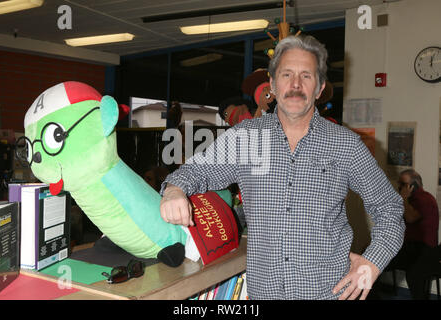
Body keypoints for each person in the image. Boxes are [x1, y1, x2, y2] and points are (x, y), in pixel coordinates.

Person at [159, 35, 405, 300]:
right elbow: (196, 171)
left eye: (306, 76)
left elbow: (389, 208)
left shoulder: (344, 145)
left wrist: (373, 262)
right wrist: (174, 190)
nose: (296, 84)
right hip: (264, 293)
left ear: (320, 88)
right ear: (273, 85)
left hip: (327, 294)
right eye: (286, 75)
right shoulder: (247, 138)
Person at [386, 169, 439, 299]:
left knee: (414, 274)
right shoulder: (409, 201)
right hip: (410, 248)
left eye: (402, 184)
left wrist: (403, 198)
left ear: (412, 186)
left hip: (424, 250)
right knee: (378, 261)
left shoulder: (425, 199)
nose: (399, 187)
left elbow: (410, 218)